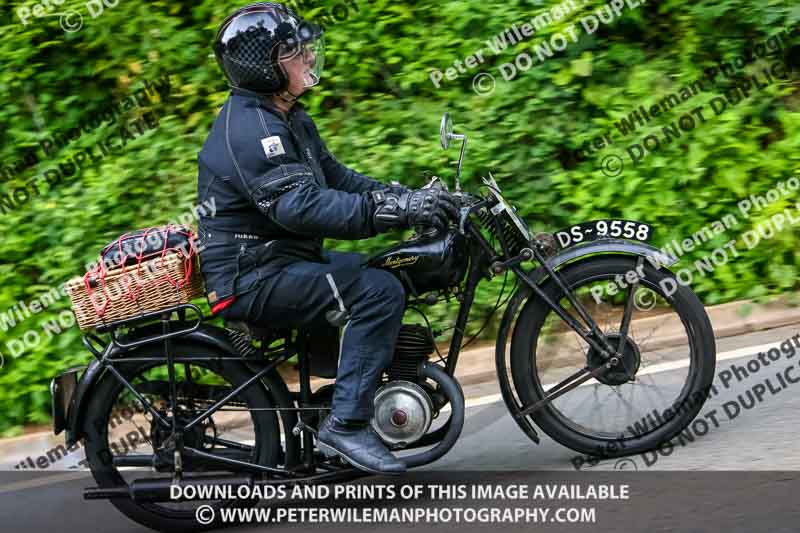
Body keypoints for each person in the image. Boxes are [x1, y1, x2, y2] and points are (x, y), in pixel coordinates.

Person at [196, 2, 458, 475]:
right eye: (295, 53)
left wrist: (404, 197)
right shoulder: (251, 128)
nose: (309, 59)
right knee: (377, 291)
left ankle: (355, 395)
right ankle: (347, 424)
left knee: (384, 270)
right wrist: (396, 212)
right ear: (263, 67)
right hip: (251, 276)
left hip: (280, 260)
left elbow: (336, 178)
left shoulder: (288, 116)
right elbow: (300, 206)